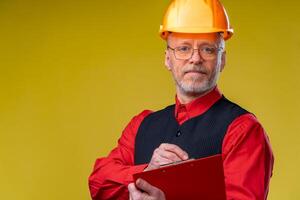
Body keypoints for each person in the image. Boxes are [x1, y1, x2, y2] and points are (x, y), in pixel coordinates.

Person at [88, 0, 274, 199]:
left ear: (222, 60)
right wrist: (148, 172)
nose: (195, 58)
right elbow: (99, 183)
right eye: (184, 48)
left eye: (208, 49)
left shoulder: (243, 130)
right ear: (168, 58)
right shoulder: (141, 124)